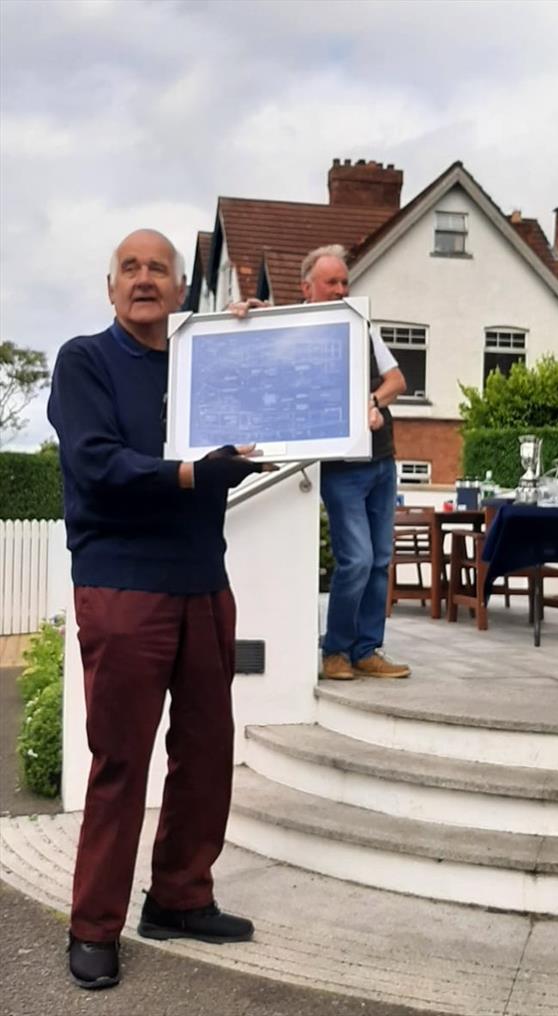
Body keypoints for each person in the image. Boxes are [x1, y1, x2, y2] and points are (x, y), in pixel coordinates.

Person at [48, 229, 270, 990]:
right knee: (122, 760)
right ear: (111, 289)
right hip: (121, 584)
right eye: (130, 268)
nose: (145, 279)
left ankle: (179, 897)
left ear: (182, 292)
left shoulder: (206, 367)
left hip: (204, 580)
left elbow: (224, 467)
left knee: (207, 753)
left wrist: (259, 347)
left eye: (160, 270)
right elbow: (95, 462)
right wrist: (187, 472)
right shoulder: (85, 361)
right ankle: (94, 925)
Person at [231, 244, 410, 680]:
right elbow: (242, 340)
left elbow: (397, 381)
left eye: (345, 282)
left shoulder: (362, 326)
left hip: (382, 460)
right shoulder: (290, 327)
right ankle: (336, 653)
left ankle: (367, 650)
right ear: (306, 288)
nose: (341, 289)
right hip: (341, 469)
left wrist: (369, 400)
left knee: (381, 560)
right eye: (332, 282)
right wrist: (242, 311)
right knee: (356, 561)